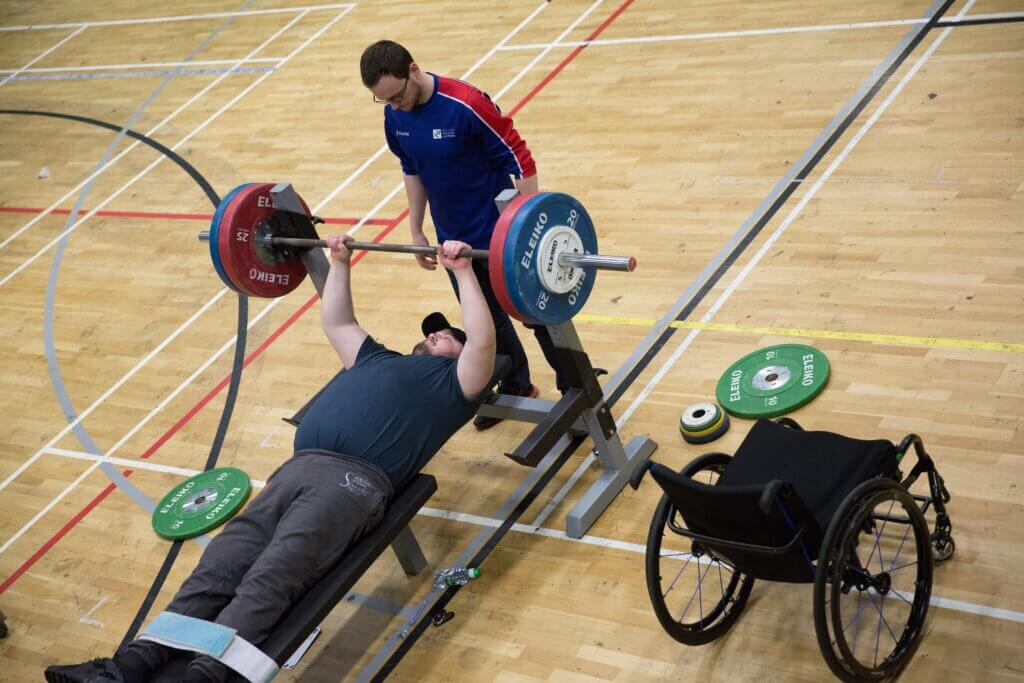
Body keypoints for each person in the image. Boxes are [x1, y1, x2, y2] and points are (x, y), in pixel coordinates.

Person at [44, 238, 495, 683]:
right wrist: (339, 264)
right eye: (432, 331)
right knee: (220, 562)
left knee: (274, 572)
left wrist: (462, 272)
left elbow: (482, 341)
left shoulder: (455, 386)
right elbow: (338, 323)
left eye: (447, 337)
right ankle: (128, 668)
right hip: (295, 470)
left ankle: (203, 677)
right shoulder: (377, 358)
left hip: (352, 484)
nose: (436, 334)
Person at [360, 39, 572, 429]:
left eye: (396, 95)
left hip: (501, 239)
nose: (394, 105)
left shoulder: (466, 104)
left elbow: (519, 156)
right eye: (383, 101)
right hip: (454, 246)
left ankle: (576, 391)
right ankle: (517, 386)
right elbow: (412, 168)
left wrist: (531, 228)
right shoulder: (395, 116)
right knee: (486, 323)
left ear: (413, 70)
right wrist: (416, 230)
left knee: (538, 318)